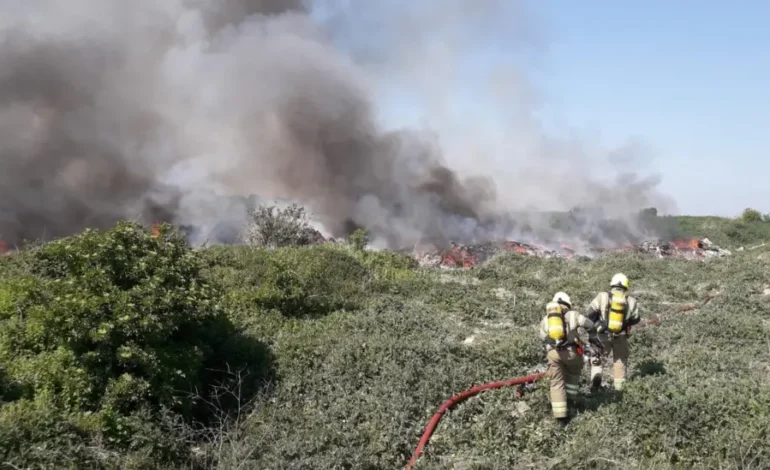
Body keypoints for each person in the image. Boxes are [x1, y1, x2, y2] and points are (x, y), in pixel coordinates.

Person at [539, 292, 598, 426]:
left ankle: (561, 419)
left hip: (553, 354)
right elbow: (590, 325)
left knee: (556, 383)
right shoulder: (573, 315)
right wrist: (593, 340)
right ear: (568, 304)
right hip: (572, 354)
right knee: (572, 379)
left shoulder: (545, 320)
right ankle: (571, 406)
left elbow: (543, 339)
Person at [584, 273, 641, 392]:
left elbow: (589, 313)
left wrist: (599, 325)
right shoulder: (631, 301)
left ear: (612, 285)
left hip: (603, 335)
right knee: (620, 361)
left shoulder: (602, 296)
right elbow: (636, 319)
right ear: (626, 286)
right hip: (621, 337)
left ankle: (596, 378)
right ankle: (619, 389)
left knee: (598, 358)